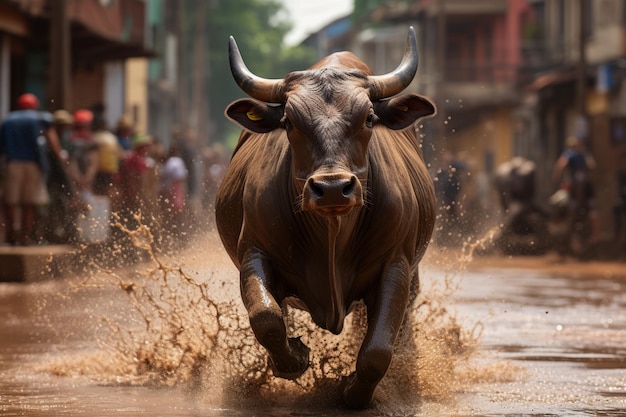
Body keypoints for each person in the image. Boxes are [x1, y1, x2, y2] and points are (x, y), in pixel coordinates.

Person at [0, 93, 62, 245]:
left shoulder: (8, 119)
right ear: (34, 105)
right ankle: (25, 236)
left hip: (13, 163)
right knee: (30, 202)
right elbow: (51, 134)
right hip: (33, 164)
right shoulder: (40, 117)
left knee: (11, 201)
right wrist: (59, 154)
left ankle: (11, 236)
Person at [552, 135, 600, 242]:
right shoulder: (585, 154)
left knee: (568, 208)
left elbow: (561, 165)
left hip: (575, 189)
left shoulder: (569, 154)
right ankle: (596, 234)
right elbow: (592, 166)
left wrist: (556, 177)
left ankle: (567, 233)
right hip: (586, 188)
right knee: (592, 209)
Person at [92, 114, 121, 198]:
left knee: (98, 193)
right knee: (109, 191)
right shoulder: (112, 138)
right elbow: (118, 154)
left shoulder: (94, 136)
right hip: (110, 170)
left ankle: (99, 210)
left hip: (98, 170)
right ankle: (109, 209)